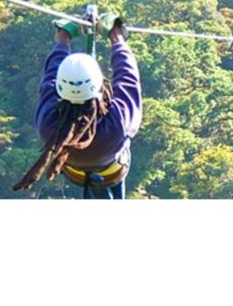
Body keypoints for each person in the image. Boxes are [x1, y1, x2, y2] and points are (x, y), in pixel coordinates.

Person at [12, 15, 142, 199]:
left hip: (75, 173)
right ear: (98, 86)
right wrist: (117, 37)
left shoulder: (49, 125)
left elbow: (50, 77)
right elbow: (128, 78)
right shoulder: (117, 123)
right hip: (113, 171)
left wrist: (63, 38)